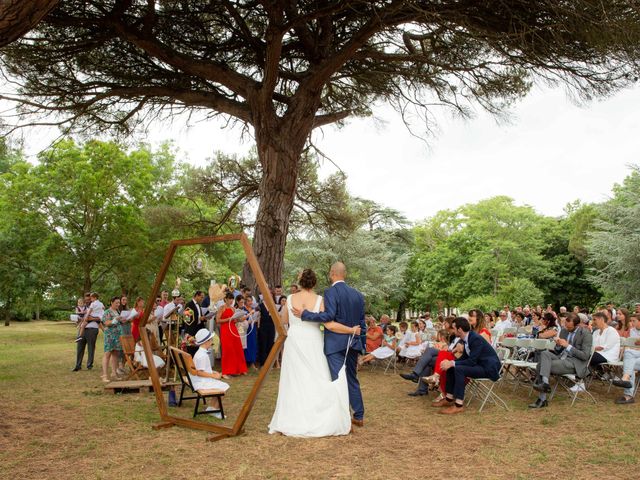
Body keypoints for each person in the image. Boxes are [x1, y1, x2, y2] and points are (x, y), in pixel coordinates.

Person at [269, 268, 362, 437]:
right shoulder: (320, 299)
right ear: (314, 283)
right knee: (316, 377)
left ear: (300, 282)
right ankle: (319, 415)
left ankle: (291, 418)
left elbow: (283, 321)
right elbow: (329, 324)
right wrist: (351, 329)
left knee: (294, 380)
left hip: (294, 341)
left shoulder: (289, 299)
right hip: (313, 341)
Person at [293, 262, 367, 428]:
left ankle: (342, 415)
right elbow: (362, 324)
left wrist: (305, 314)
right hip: (353, 343)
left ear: (332, 273)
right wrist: (362, 345)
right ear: (344, 274)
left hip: (335, 344)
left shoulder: (331, 292)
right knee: (352, 379)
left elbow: (328, 316)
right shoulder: (358, 295)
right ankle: (359, 415)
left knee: (337, 379)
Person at [435, 317, 501, 414]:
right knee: (452, 367)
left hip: (488, 368)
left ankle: (458, 405)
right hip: (480, 365)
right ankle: (449, 399)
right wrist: (450, 362)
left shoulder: (475, 339)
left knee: (459, 369)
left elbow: (471, 361)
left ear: (460, 329)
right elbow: (465, 358)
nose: (452, 330)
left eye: (453, 328)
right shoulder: (468, 337)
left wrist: (452, 363)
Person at [529, 313, 593, 408]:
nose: (567, 329)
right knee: (545, 353)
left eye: (569, 327)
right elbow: (557, 351)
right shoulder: (564, 331)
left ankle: (542, 399)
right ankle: (545, 384)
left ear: (577, 325)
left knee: (540, 366)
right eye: (566, 326)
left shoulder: (585, 334)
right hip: (561, 358)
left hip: (574, 363)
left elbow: (585, 356)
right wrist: (558, 345)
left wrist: (568, 346)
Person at [190, 329, 230, 418]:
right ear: (206, 341)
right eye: (211, 340)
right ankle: (215, 410)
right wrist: (214, 376)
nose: (212, 341)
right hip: (199, 382)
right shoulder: (202, 355)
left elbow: (202, 369)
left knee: (221, 386)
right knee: (224, 387)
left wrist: (212, 372)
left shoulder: (201, 353)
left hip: (198, 380)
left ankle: (212, 408)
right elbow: (199, 372)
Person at [400, 329, 449, 397]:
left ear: (442, 336)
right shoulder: (437, 342)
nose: (437, 336)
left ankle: (415, 376)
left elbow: (444, 354)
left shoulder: (445, 344)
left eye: (438, 335)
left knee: (428, 352)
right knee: (426, 361)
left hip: (444, 361)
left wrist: (436, 349)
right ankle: (421, 389)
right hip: (436, 359)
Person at [216, 292, 248, 377]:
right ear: (225, 299)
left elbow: (236, 320)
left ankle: (238, 369)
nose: (231, 301)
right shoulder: (221, 308)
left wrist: (243, 316)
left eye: (232, 299)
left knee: (237, 348)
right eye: (229, 299)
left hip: (233, 329)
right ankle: (226, 372)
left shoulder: (233, 309)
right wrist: (228, 319)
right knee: (227, 350)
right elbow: (218, 320)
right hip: (225, 330)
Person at [612, 314, 640, 404]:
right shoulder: (632, 330)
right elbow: (631, 346)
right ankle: (626, 379)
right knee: (629, 357)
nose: (631, 323)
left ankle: (626, 381)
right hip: (635, 356)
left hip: (635, 356)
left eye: (633, 321)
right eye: (631, 321)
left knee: (629, 358)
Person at [73, 294, 100, 372]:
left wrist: (90, 319)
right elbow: (81, 318)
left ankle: (89, 365)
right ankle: (78, 365)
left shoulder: (96, 307)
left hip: (92, 329)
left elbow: (100, 319)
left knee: (91, 348)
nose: (87, 301)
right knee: (79, 347)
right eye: (86, 300)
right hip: (82, 329)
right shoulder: (83, 308)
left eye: (89, 299)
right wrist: (77, 319)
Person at [101, 296, 123, 382]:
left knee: (115, 354)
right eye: (116, 303)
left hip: (117, 335)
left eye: (119, 303)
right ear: (111, 302)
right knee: (107, 354)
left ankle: (114, 373)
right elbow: (106, 323)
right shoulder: (107, 312)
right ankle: (104, 375)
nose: (118, 304)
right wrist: (114, 320)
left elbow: (119, 322)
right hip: (110, 335)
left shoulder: (117, 311)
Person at [183, 290, 206, 356]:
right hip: (191, 330)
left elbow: (199, 316)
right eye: (201, 297)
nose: (202, 299)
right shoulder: (189, 304)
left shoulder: (198, 305)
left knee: (197, 348)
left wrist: (204, 318)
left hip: (198, 329)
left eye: (203, 297)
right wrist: (198, 319)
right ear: (196, 296)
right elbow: (186, 319)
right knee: (190, 349)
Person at [242, 294, 259, 370]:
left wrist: (256, 317)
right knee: (246, 344)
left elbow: (256, 318)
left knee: (253, 344)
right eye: (248, 301)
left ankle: (252, 362)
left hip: (253, 327)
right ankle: (245, 362)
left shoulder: (253, 308)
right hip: (246, 329)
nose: (250, 302)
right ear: (245, 302)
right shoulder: (243, 309)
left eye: (251, 301)